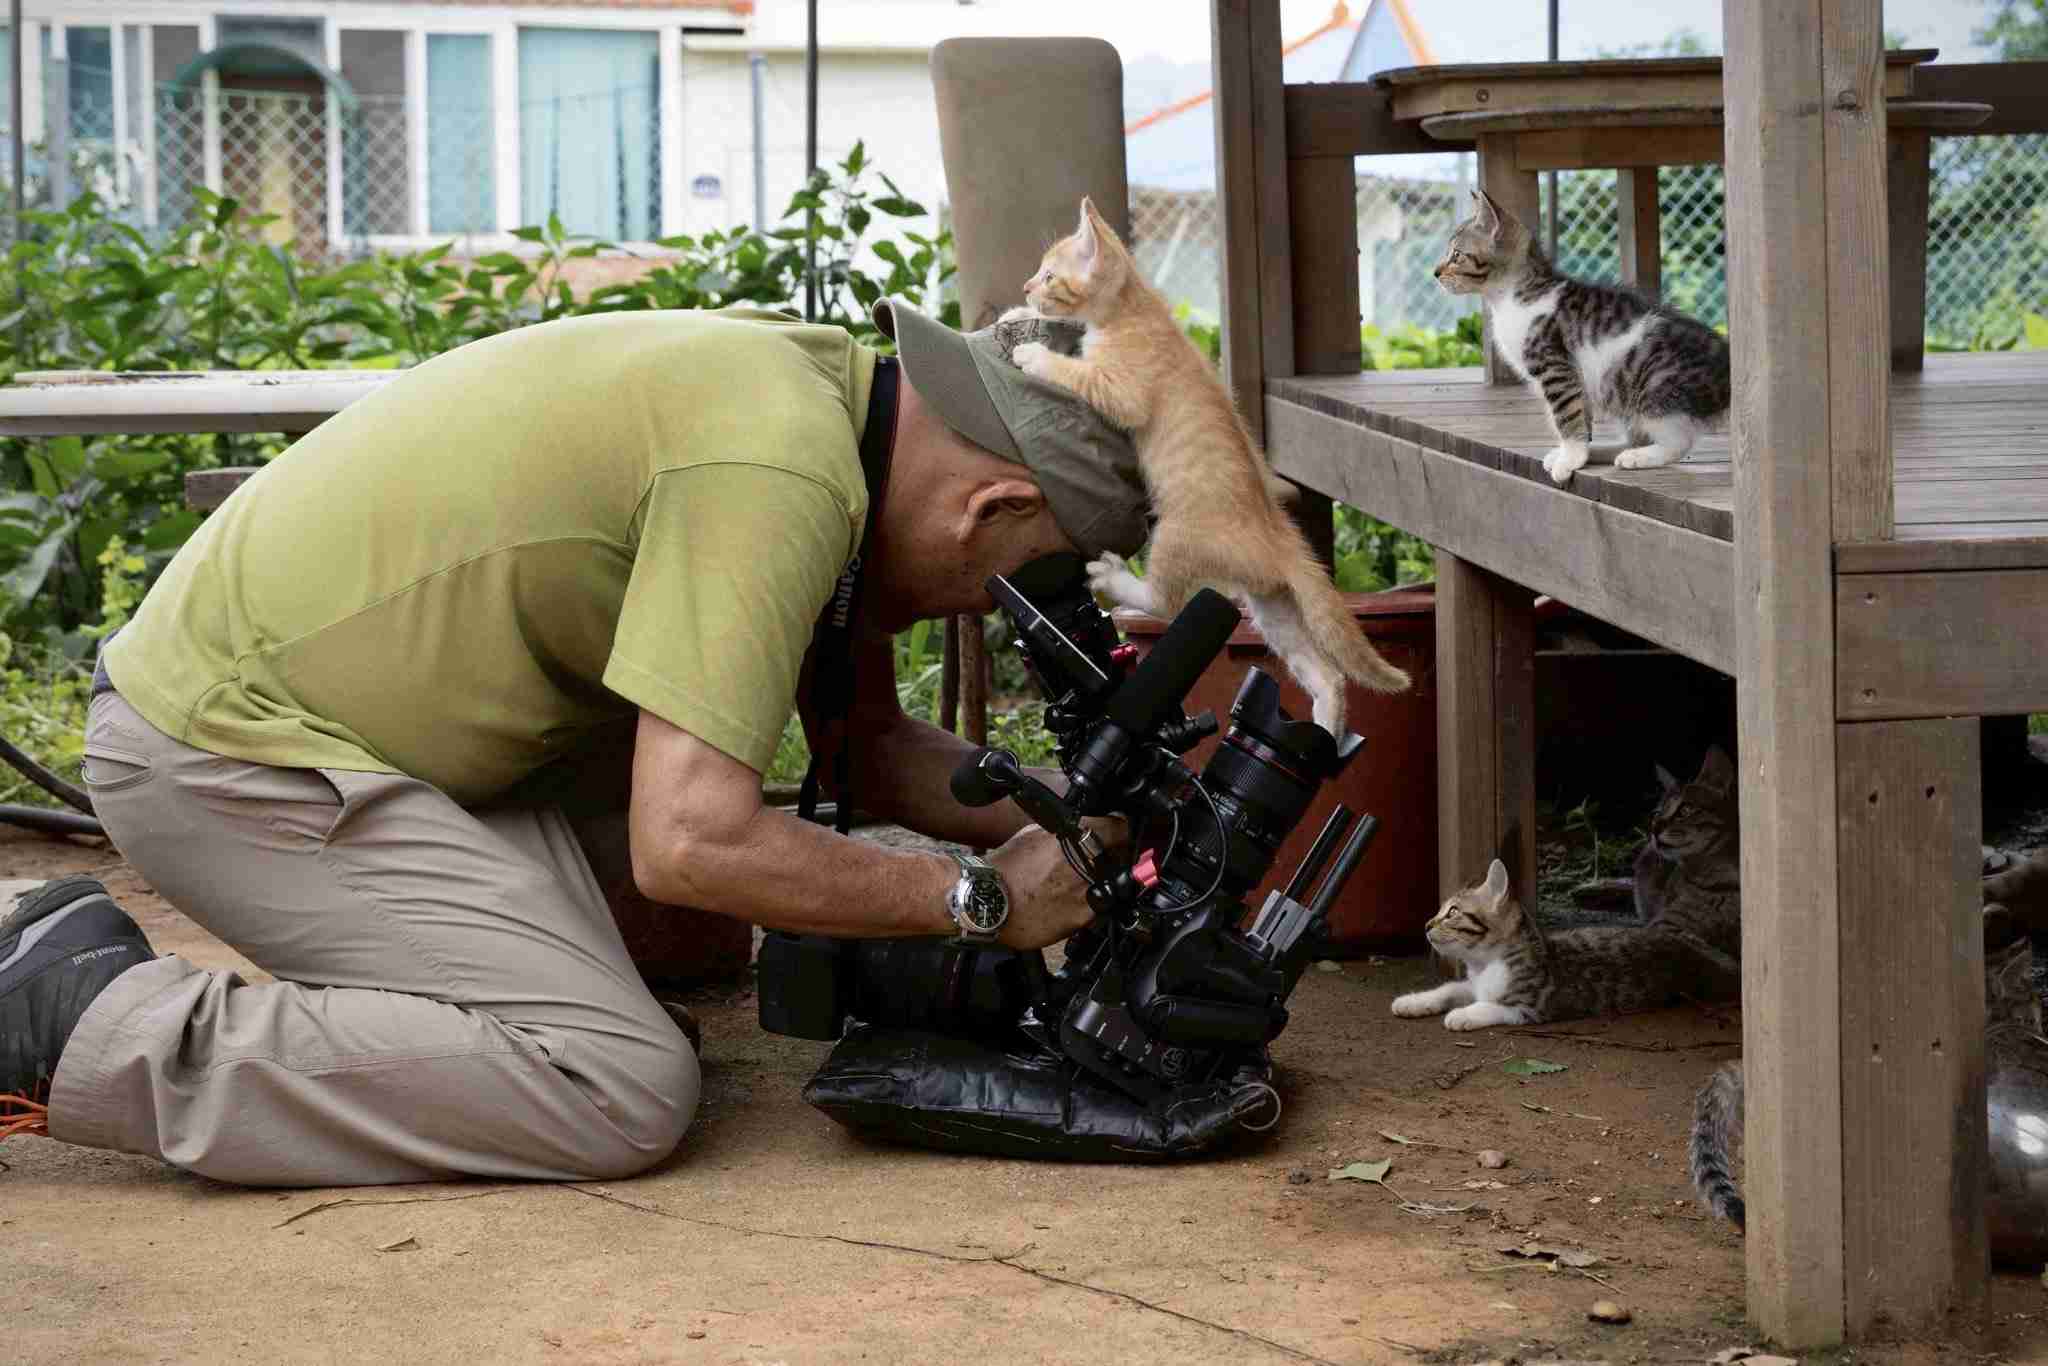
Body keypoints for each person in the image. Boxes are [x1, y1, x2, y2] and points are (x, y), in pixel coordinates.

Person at [0, 300, 1148, 1185]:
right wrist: (980, 898)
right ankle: (77, 1020)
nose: (982, 606)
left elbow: (867, 751)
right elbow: (691, 839)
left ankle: (88, 956)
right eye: (1006, 581)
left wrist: (1090, 821)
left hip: (363, 720)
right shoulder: (772, 473)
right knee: (611, 1080)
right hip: (225, 750)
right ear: (988, 507)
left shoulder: (838, 404)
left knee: (686, 943)